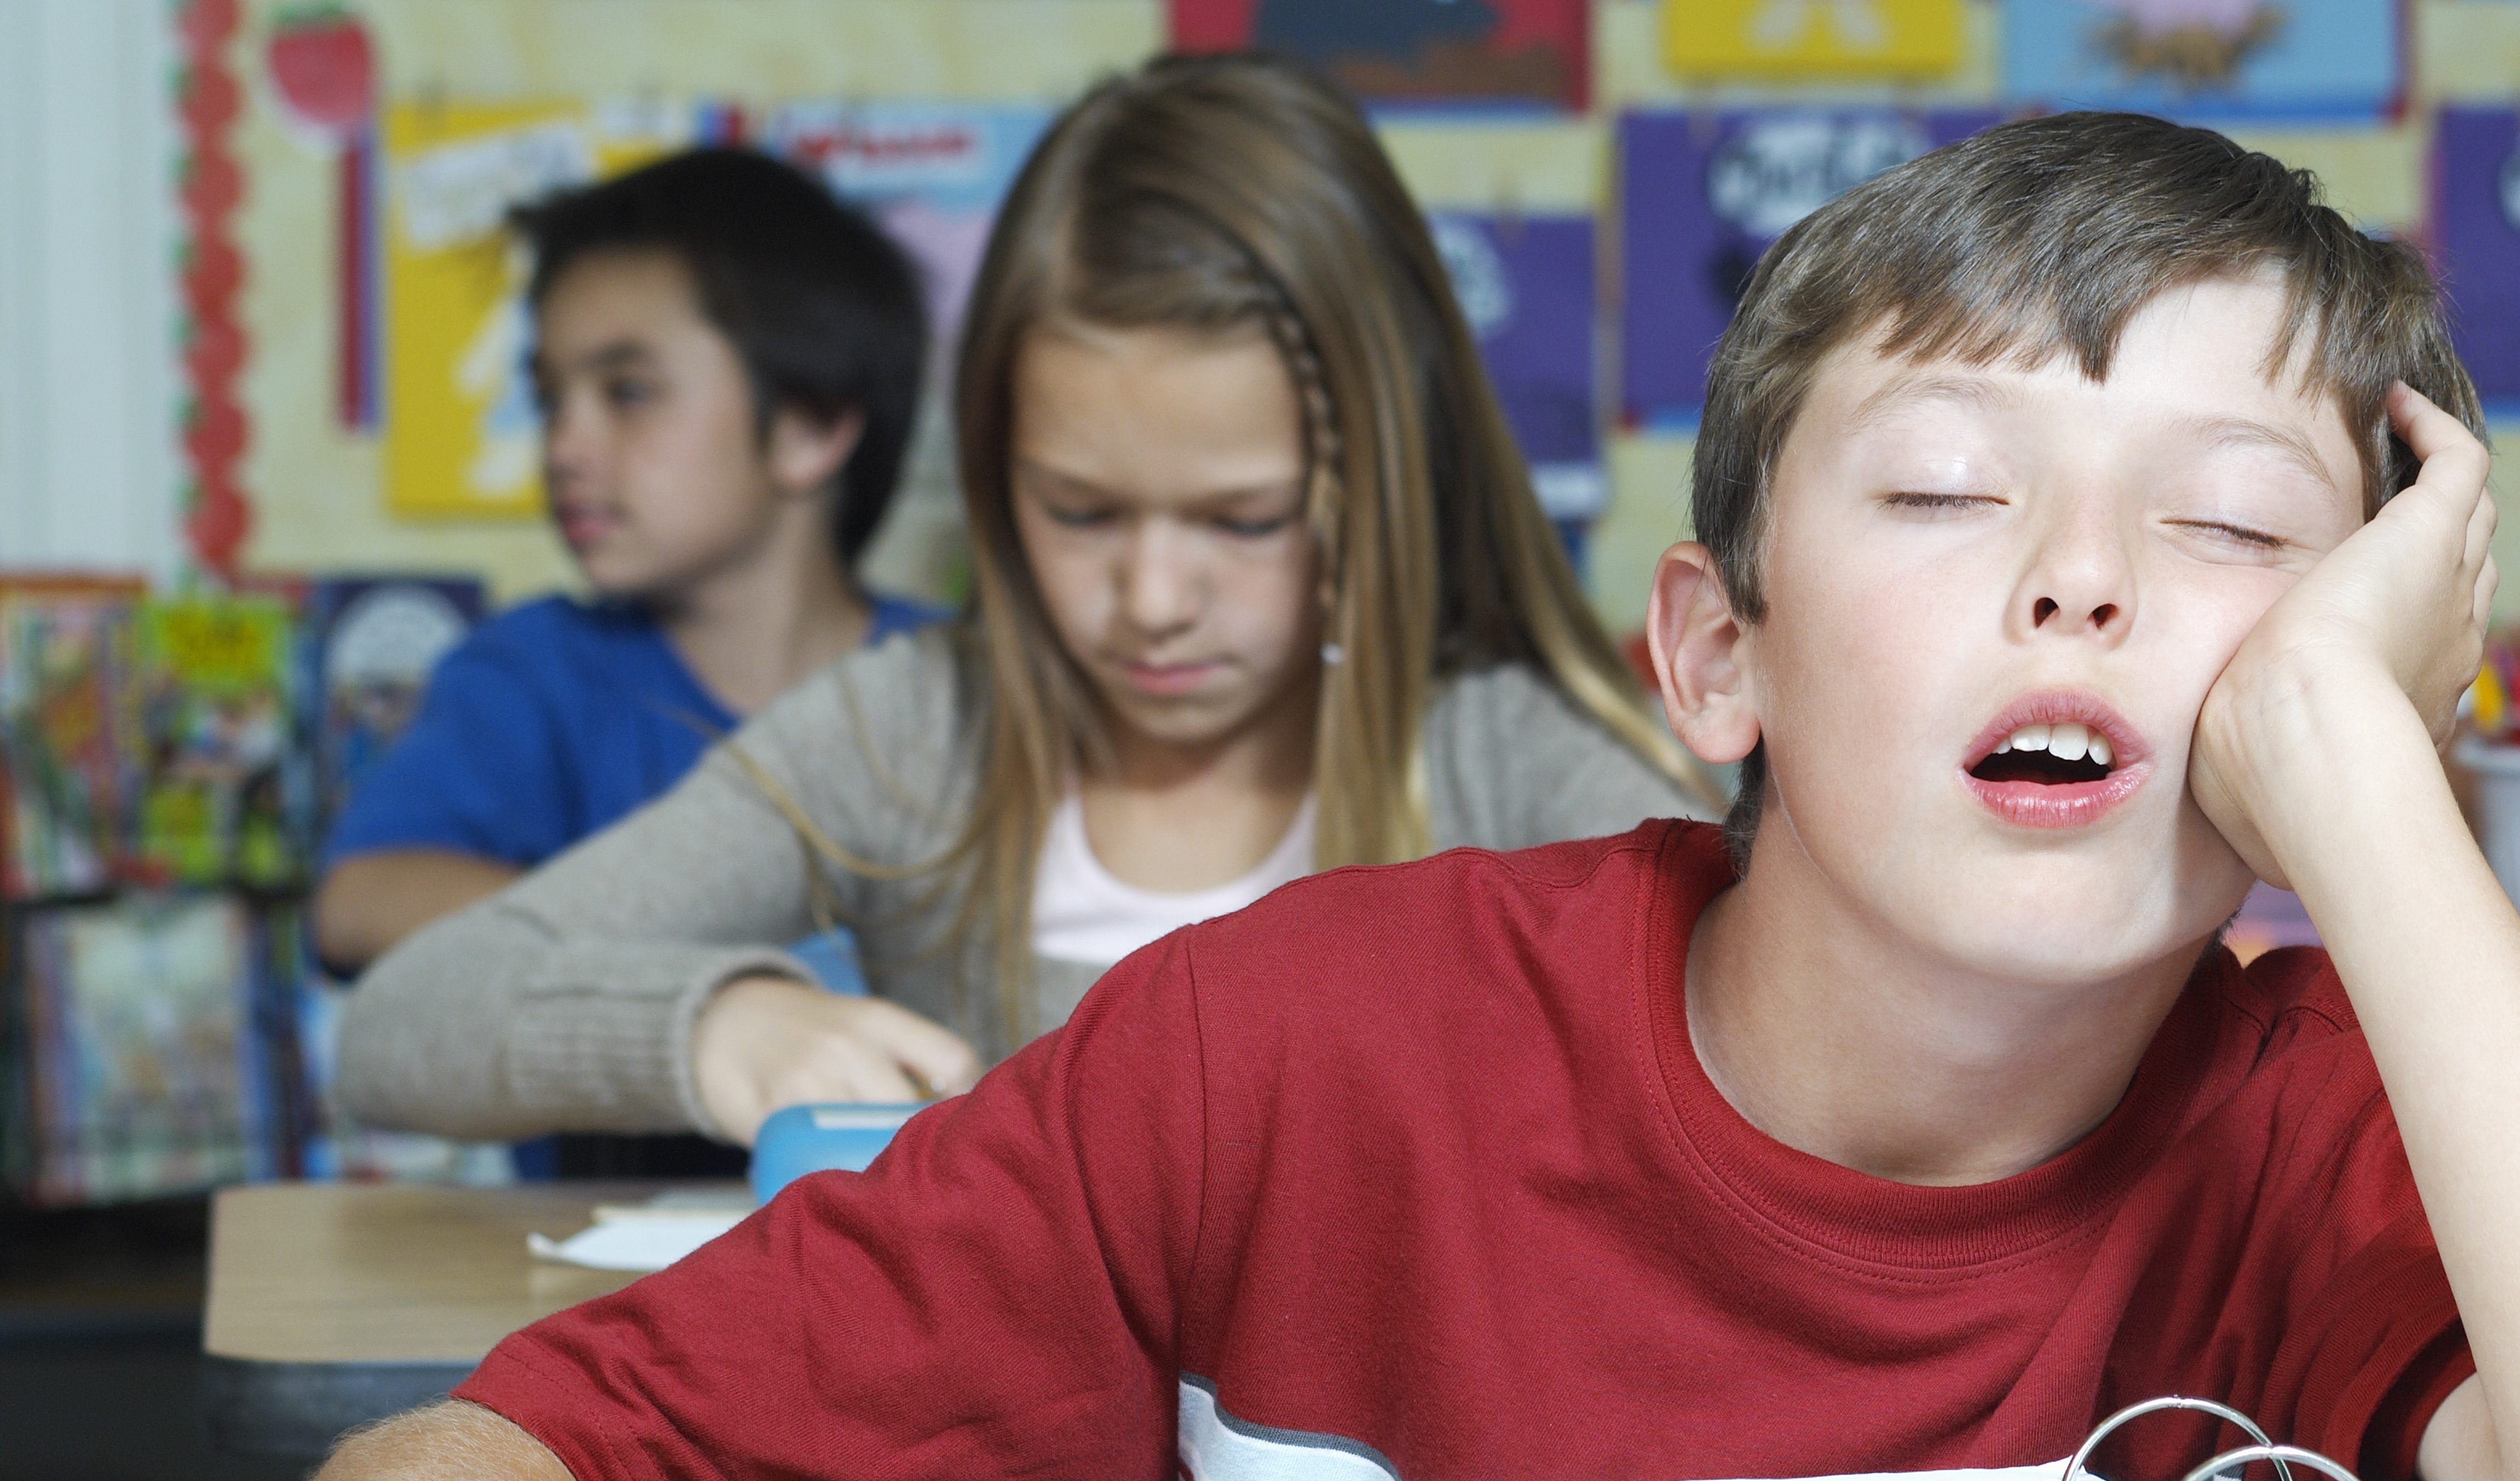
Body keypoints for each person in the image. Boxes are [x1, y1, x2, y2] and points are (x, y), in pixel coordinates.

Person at [280, 112, 2520, 1481]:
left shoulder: (2307, 1116)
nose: (2078, 578)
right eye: (1942, 489)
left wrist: (2359, 800)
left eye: (2236, 543)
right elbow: (492, 1448)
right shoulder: (1273, 1052)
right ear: (1707, 657)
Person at [330, 56, 1712, 1149]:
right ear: (992, 476)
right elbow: (405, 1021)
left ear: (1382, 477)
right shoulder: (908, 739)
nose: (1152, 601)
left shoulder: (1500, 758)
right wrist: (717, 1026)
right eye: (1082, 513)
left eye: (1242, 520)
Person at [312, 147, 938, 975]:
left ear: (807, 428)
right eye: (548, 399)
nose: (565, 447)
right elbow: (358, 902)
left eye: (628, 392)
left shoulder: (966, 689)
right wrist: (693, 967)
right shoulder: (533, 673)